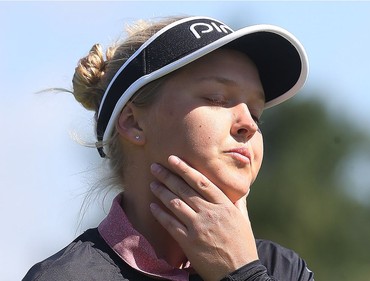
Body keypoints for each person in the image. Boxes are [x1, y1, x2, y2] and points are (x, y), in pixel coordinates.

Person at [23, 15, 313, 280]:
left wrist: (242, 273)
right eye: (216, 98)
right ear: (133, 123)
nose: (248, 124)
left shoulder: (283, 269)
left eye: (256, 111)